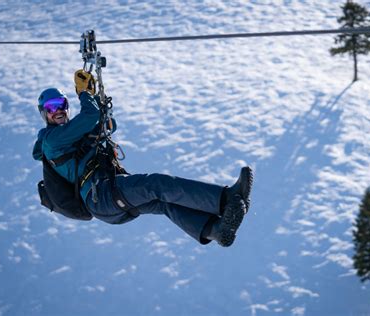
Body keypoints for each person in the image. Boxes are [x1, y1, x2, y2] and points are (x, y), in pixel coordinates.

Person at [33, 70, 253, 247]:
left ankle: (216, 230)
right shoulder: (52, 141)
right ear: (44, 114)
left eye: (61, 104)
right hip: (101, 194)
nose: (58, 110)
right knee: (156, 184)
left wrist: (97, 102)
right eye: (52, 108)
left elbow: (107, 125)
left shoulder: (73, 136)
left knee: (163, 203)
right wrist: (84, 93)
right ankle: (226, 200)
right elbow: (90, 116)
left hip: (105, 202)